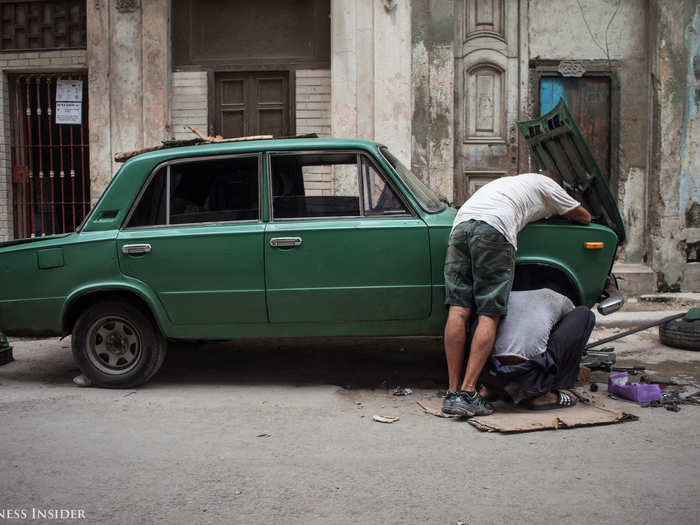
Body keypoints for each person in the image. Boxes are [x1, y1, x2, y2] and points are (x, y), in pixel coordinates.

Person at [442, 172, 592, 416]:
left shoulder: (509, 184)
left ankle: (452, 394)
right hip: (494, 229)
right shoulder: (547, 185)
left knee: (458, 309)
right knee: (489, 313)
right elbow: (583, 217)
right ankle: (469, 392)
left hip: (460, 227)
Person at [477, 288, 596, 409]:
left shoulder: (508, 295)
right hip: (529, 383)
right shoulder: (558, 299)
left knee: (487, 321)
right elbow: (570, 332)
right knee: (585, 314)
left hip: (489, 376)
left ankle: (488, 390)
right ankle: (543, 396)